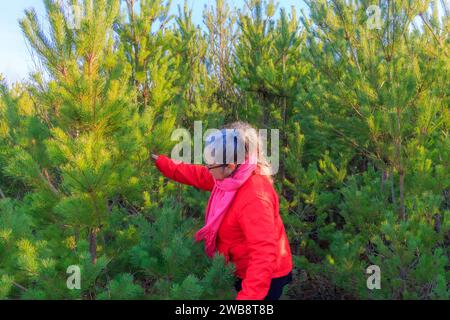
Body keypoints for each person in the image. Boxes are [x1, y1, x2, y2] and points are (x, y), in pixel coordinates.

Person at [151, 121, 293, 300]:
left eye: (211, 165)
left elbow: (263, 254)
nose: (208, 169)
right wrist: (164, 163)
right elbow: (199, 174)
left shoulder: (255, 197)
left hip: (264, 277)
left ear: (230, 166)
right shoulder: (232, 177)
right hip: (240, 266)